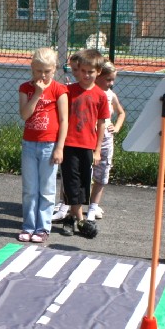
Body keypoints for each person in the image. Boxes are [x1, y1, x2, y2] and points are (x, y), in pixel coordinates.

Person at [17, 47, 68, 244]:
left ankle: (43, 227)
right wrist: (37, 93)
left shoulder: (59, 89)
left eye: (47, 71)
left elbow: (64, 120)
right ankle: (28, 226)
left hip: (49, 145)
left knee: (46, 189)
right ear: (32, 68)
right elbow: (25, 115)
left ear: (54, 69)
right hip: (30, 144)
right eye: (39, 71)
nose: (43, 75)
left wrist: (59, 147)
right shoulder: (25, 88)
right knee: (30, 189)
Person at [60, 49, 110, 239]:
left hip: (88, 146)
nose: (86, 75)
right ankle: (79, 219)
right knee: (71, 182)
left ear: (98, 72)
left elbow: (102, 123)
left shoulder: (100, 95)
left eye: (91, 72)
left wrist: (97, 150)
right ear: (77, 69)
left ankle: (72, 218)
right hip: (69, 144)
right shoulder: (68, 91)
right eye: (83, 71)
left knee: (82, 184)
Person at [91, 60, 127, 220]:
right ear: (98, 75)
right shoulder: (89, 92)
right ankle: (70, 205)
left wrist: (116, 127)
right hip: (89, 138)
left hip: (106, 140)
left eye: (113, 80)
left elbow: (121, 113)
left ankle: (93, 205)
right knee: (83, 173)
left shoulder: (111, 95)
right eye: (108, 79)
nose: (111, 83)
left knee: (102, 173)